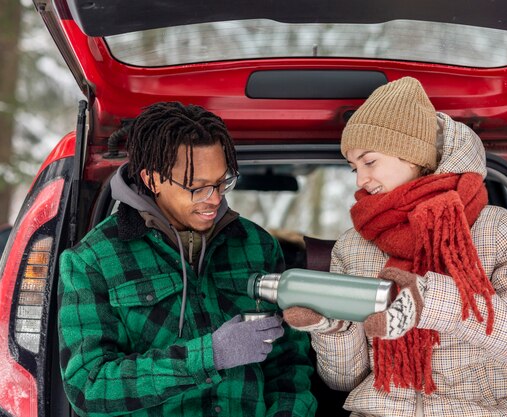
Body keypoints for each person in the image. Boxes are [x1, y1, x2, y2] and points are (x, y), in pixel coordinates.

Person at [284, 77, 507, 416]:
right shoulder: (353, 246)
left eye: (369, 161)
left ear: (414, 156)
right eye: (353, 167)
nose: (359, 180)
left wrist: (431, 301)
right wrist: (331, 328)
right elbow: (345, 380)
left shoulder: (497, 229)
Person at [58, 102, 317, 417]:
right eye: (198, 188)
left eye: (223, 182)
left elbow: (290, 364)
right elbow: (88, 387)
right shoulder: (93, 260)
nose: (216, 198)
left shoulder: (258, 246)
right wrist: (209, 356)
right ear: (152, 180)